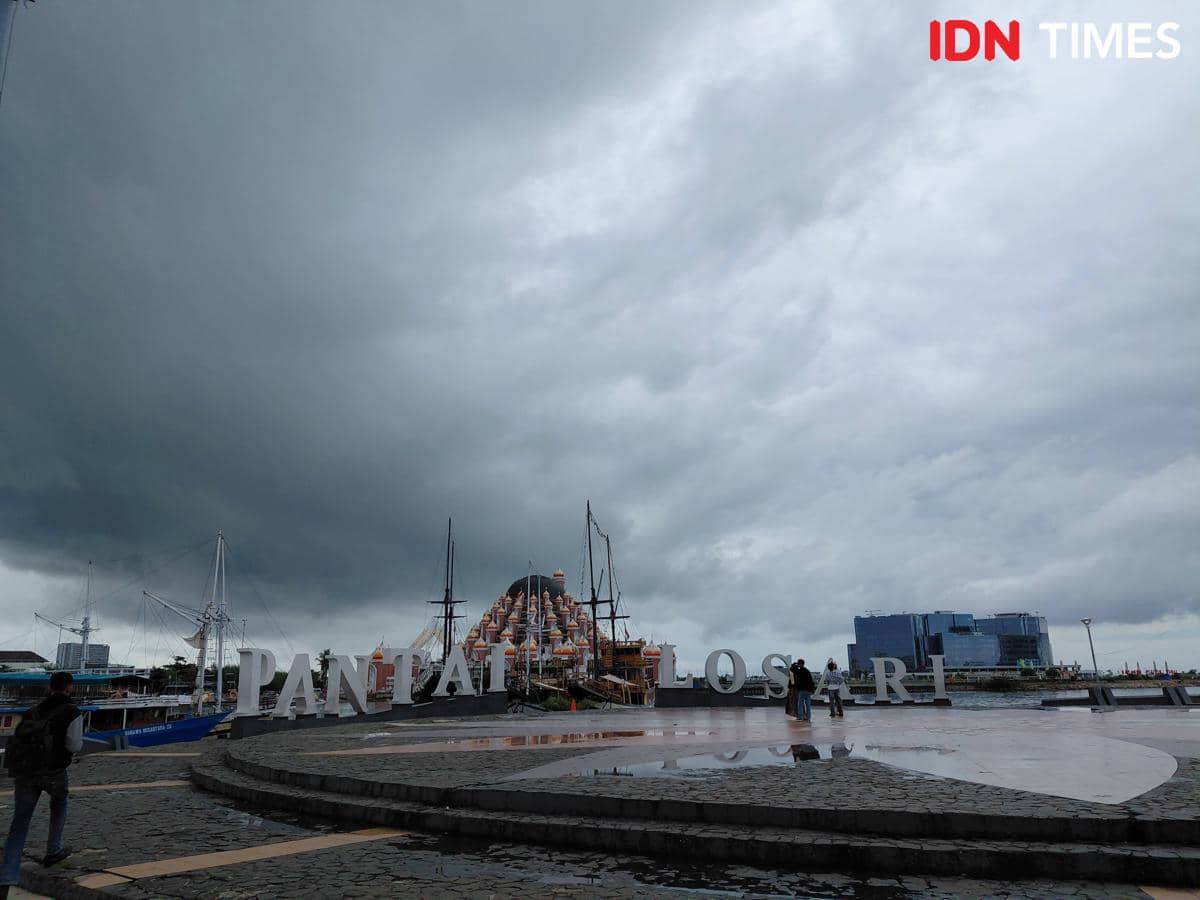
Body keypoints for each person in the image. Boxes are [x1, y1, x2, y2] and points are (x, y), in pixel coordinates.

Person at [2, 671, 82, 896]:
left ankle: (6, 878)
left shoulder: (32, 711)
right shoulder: (72, 711)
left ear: (50, 687)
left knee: (20, 823)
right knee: (59, 803)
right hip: (53, 771)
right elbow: (75, 745)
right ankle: (53, 848)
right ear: (69, 687)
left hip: (25, 771)